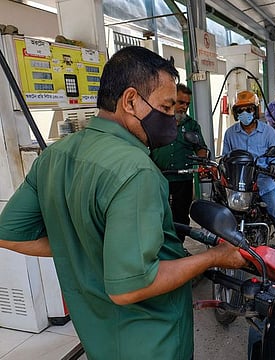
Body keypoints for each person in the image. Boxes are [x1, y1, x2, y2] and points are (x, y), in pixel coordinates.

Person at [0, 46, 247, 360]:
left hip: (97, 336)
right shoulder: (136, 171)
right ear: (131, 101)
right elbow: (127, 289)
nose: (172, 118)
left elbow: (9, 234)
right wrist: (214, 257)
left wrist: (81, 243)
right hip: (150, 340)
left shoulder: (54, 155)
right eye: (167, 107)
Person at [223, 90, 275, 259]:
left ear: (255, 111)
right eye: (240, 110)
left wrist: (273, 166)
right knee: (224, 218)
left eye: (248, 109)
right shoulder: (230, 134)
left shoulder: (268, 132)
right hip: (239, 184)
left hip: (263, 181)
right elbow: (226, 159)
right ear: (235, 113)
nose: (245, 113)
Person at [151, 83, 207, 241]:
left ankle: (179, 248)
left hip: (184, 178)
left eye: (187, 104)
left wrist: (204, 164)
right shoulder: (157, 122)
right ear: (171, 100)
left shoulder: (192, 125)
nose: (184, 107)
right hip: (159, 178)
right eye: (181, 102)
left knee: (181, 216)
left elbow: (201, 148)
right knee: (157, 214)